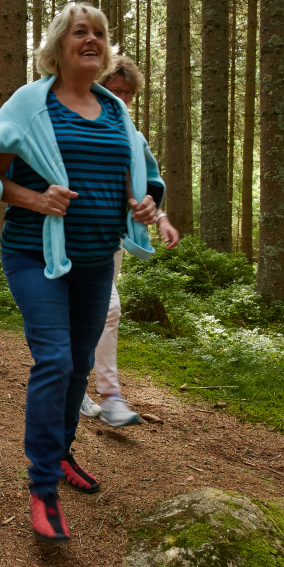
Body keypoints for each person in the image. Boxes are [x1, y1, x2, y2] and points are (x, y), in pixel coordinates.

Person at [0, 2, 179, 544]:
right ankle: (42, 487)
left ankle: (61, 453)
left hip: (93, 259)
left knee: (81, 361)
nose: (92, 39)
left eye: (100, 33)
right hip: (34, 254)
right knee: (56, 358)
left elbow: (146, 177)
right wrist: (36, 199)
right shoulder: (31, 104)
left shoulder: (114, 110)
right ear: (60, 45)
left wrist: (149, 207)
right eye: (80, 31)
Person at [79, 56, 180, 426]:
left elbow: (149, 181)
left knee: (98, 314)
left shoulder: (132, 135)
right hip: (69, 236)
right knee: (105, 310)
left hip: (110, 240)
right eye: (114, 89)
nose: (120, 98)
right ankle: (105, 395)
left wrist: (161, 216)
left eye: (128, 93)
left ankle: (91, 393)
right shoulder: (74, 123)